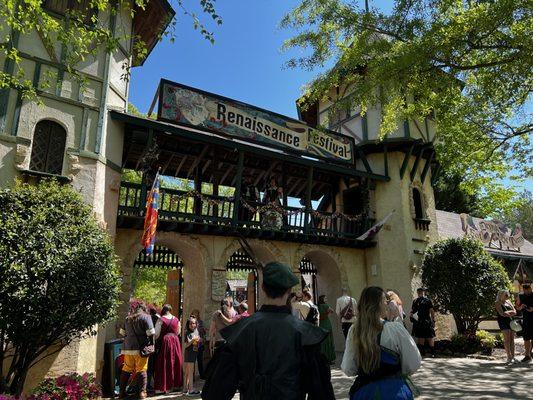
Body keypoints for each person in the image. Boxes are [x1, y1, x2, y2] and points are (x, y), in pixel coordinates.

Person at [201, 262, 335, 400]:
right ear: (289, 290)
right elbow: (322, 393)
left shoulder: (240, 331)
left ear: (263, 287)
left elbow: (215, 392)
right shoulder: (306, 334)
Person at [341, 286, 421, 399]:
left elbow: (348, 368)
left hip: (365, 392)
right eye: (385, 300)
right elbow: (413, 363)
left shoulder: (354, 331)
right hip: (394, 391)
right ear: (378, 304)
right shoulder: (395, 329)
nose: (387, 304)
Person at [118, 302, 155, 399]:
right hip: (140, 348)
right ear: (144, 309)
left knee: (126, 369)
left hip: (128, 348)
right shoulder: (146, 317)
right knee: (142, 369)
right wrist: (151, 345)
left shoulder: (127, 318)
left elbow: (122, 333)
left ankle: (121, 392)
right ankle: (142, 393)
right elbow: (151, 333)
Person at [153, 304, 183, 393]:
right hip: (175, 341)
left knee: (164, 363)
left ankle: (164, 387)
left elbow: (156, 334)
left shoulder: (160, 319)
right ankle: (175, 385)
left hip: (165, 342)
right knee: (176, 362)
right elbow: (178, 332)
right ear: (170, 310)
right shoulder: (176, 319)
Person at [410, 288, 436, 357]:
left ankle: (430, 353)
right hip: (421, 320)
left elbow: (431, 311)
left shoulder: (426, 300)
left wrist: (433, 320)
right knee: (423, 336)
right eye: (419, 291)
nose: (419, 293)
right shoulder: (416, 301)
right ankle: (425, 353)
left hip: (424, 320)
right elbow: (412, 311)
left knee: (428, 336)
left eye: (420, 291)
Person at [495, 289, 518, 363]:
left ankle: (513, 357)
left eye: (507, 294)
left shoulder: (508, 301)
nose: (507, 296)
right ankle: (509, 357)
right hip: (503, 322)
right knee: (507, 339)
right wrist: (508, 313)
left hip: (511, 321)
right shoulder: (497, 302)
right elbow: (502, 314)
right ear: (501, 295)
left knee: (512, 339)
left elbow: (515, 311)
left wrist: (508, 312)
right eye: (505, 294)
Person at [183, 316, 202, 396]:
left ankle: (185, 389)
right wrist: (193, 340)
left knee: (188, 372)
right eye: (190, 323)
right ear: (188, 324)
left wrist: (199, 340)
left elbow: (198, 342)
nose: (192, 325)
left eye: (194, 323)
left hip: (194, 352)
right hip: (189, 353)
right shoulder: (187, 332)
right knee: (190, 371)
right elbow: (186, 345)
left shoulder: (196, 331)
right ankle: (191, 390)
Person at [517, 283, 533, 362]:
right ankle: (527, 355)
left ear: (530, 289)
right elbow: (517, 307)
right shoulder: (521, 296)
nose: (526, 292)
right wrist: (521, 307)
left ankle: (530, 353)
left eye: (527, 290)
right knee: (526, 338)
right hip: (526, 319)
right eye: (524, 290)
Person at [318, 295, 336, 364]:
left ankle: (322, 358)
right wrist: (327, 312)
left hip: (321, 324)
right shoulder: (326, 306)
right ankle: (329, 358)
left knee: (323, 341)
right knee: (329, 340)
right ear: (322, 299)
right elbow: (332, 311)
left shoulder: (318, 306)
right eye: (325, 298)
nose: (326, 299)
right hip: (327, 323)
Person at [190, 309, 207, 379]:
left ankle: (202, 375)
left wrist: (203, 330)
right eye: (194, 314)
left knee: (200, 360)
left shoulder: (201, 322)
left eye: (196, 314)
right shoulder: (190, 322)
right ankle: (192, 375)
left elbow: (203, 332)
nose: (195, 315)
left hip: (199, 343)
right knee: (192, 360)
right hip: (193, 343)